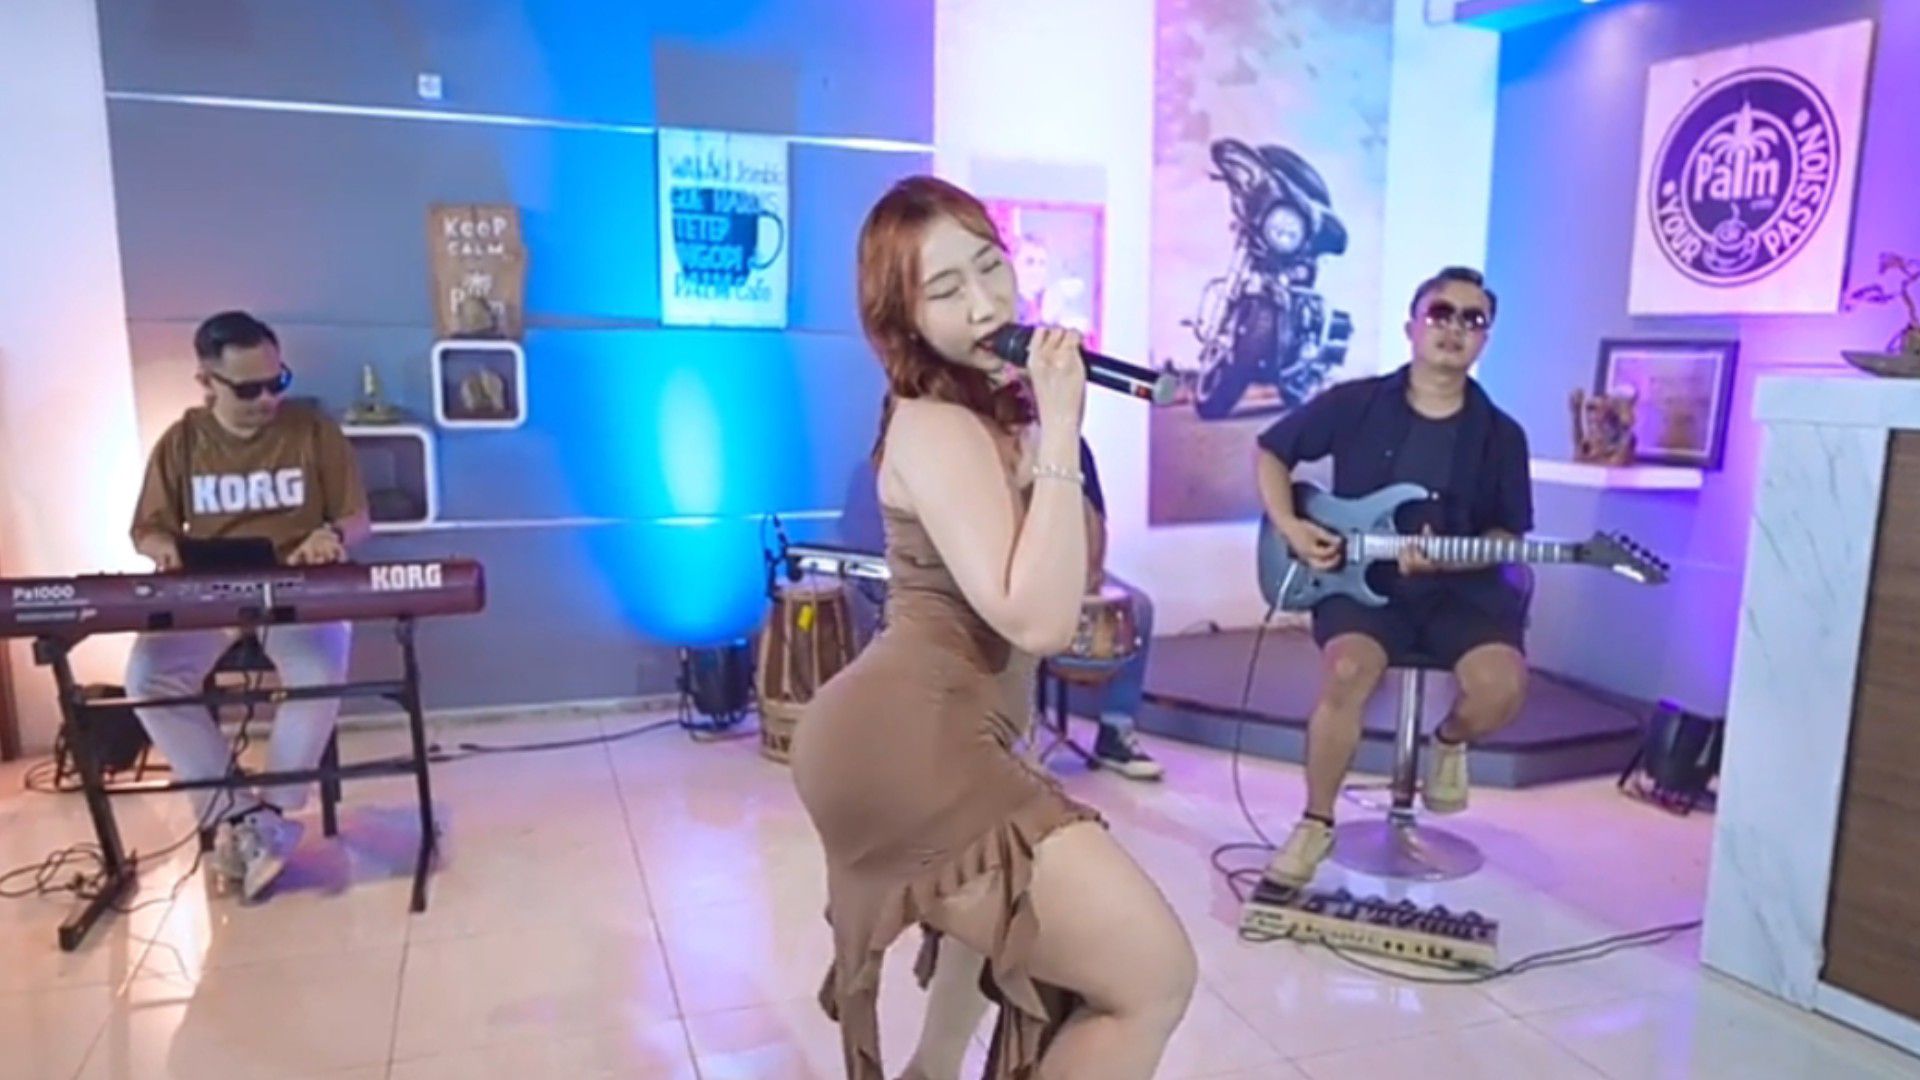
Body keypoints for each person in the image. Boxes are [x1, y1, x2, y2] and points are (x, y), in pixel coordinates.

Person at [789, 176, 1195, 1080]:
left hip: (959, 725)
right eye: (945, 289)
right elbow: (1040, 620)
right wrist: (1062, 428)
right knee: (1153, 978)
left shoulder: (994, 412)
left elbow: (1069, 572)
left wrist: (1050, 432)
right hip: (904, 739)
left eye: (991, 267)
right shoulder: (935, 427)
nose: (985, 304)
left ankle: (932, 1068)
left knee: (1000, 914)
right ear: (901, 322)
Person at [1252, 267, 1532, 888]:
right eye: (1440, 313)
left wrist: (1452, 559)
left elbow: (1508, 535)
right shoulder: (1354, 404)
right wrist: (1291, 526)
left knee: (1503, 690)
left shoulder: (1502, 436)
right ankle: (1315, 823)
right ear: (1412, 326)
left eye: (1473, 319)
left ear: (1485, 339)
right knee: (1347, 671)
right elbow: (1272, 450)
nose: (1454, 328)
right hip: (1360, 586)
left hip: (1463, 592)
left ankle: (1449, 740)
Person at [125, 311, 371, 902]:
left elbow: (358, 517)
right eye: (248, 389)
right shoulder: (181, 442)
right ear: (206, 382)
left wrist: (331, 537)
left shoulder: (314, 432)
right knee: (148, 677)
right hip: (209, 593)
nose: (266, 399)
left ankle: (273, 816)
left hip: (296, 587)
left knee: (320, 667)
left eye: (276, 382)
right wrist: (165, 551)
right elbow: (147, 529)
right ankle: (237, 815)